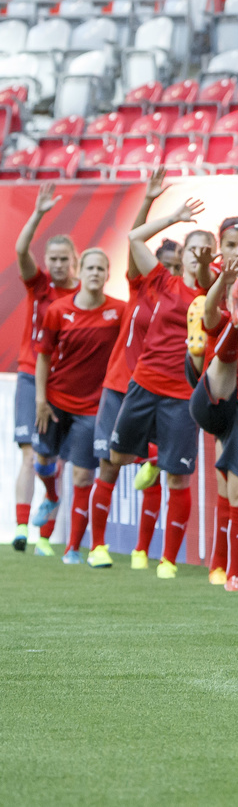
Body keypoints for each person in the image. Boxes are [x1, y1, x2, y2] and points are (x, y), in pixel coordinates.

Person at [108, 197, 209, 579]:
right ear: (182, 256)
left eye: (207, 251)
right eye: (194, 249)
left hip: (183, 393)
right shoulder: (162, 282)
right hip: (144, 383)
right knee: (117, 460)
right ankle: (150, 458)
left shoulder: (212, 293)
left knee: (179, 477)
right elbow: (134, 238)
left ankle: (167, 560)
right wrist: (173, 217)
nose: (200, 256)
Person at [94, 170, 175, 570]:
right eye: (166, 263)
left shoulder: (185, 300)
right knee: (109, 462)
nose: (171, 270)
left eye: (177, 265)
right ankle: (95, 546)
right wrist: (148, 199)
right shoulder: (140, 287)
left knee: (157, 468)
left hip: (159, 389)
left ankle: (143, 550)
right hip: (120, 385)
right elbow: (134, 238)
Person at [33, 248, 125, 566]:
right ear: (80, 272)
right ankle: (51, 494)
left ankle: (73, 548)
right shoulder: (58, 311)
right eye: (90, 268)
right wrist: (40, 400)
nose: (95, 273)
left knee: (84, 476)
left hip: (92, 407)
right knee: (42, 460)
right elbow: (43, 356)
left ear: (108, 273)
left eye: (101, 268)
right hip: (56, 400)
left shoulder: (120, 312)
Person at [188, 260, 238, 592]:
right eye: (236, 297)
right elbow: (206, 310)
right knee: (224, 357)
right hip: (212, 400)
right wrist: (222, 280)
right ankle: (227, 570)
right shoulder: (216, 319)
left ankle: (227, 571)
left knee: (235, 493)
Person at [13, 183, 79, 554]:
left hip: (65, 382)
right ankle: (22, 528)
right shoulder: (38, 286)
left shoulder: (84, 295)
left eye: (61, 259)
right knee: (31, 454)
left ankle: (44, 537)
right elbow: (20, 250)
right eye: (50, 258)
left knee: (57, 458)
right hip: (29, 374)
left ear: (74, 260)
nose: (55, 264)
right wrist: (38, 213)